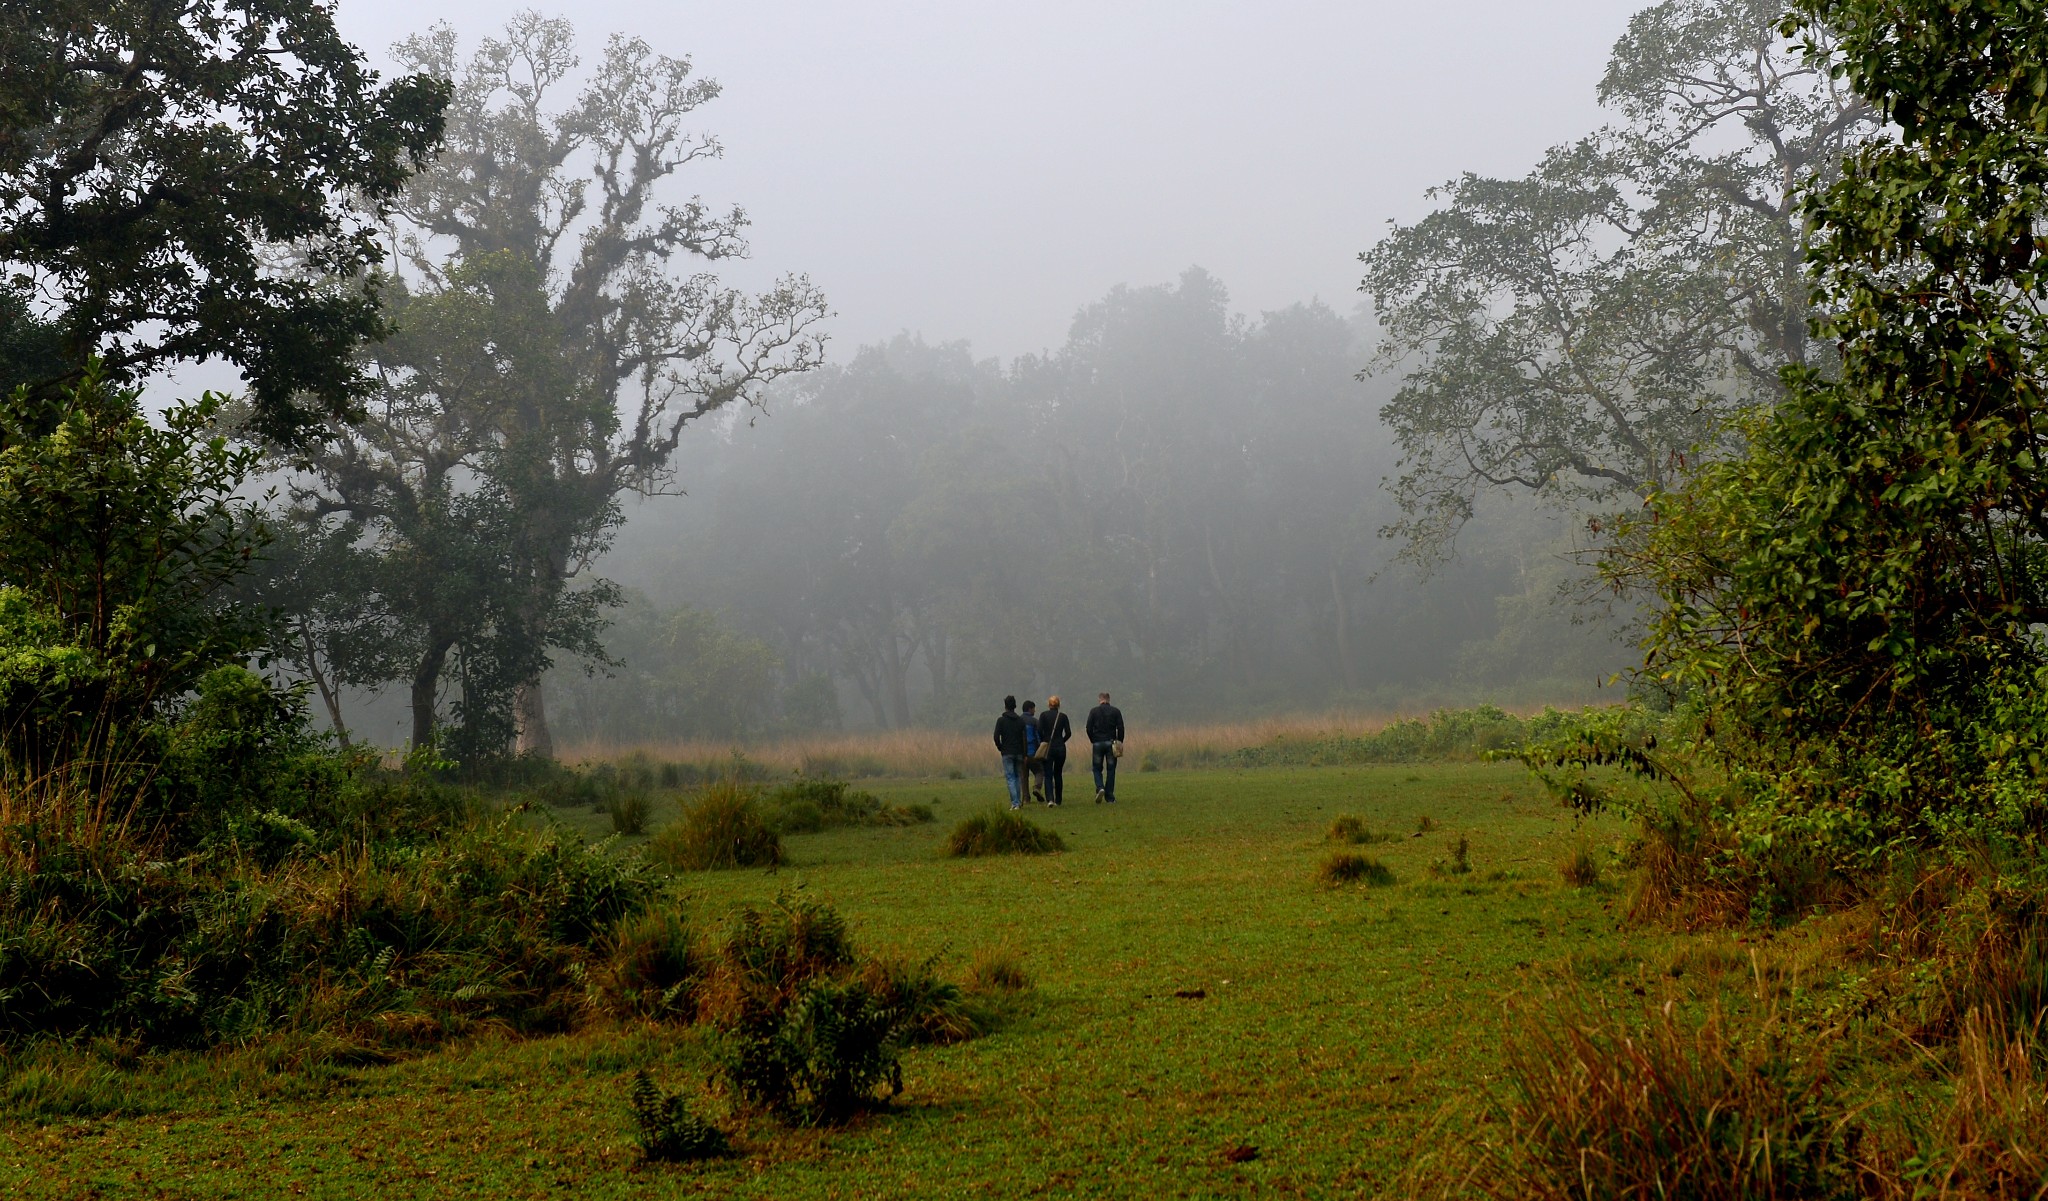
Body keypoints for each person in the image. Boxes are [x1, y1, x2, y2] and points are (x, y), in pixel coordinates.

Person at [1087, 691, 1125, 804]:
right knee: (1111, 769)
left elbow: (1088, 727)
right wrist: (1119, 741)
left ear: (1100, 699)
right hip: (1111, 743)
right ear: (1109, 699)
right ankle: (1110, 797)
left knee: (1097, 768)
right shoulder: (1116, 711)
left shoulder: (1093, 711)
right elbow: (1121, 728)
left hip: (1098, 743)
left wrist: (1093, 739)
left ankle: (1100, 787)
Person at [992, 695, 1029, 809]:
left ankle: (1015, 803)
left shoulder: (1001, 720)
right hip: (1019, 752)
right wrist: (1025, 753)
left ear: (1005, 706)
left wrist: (1000, 747)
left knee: (1010, 777)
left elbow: (996, 737)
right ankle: (1017, 801)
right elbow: (1025, 739)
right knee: (1018, 777)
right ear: (1015, 706)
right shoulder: (1020, 721)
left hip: (1007, 752)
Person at [1038, 695, 1072, 806]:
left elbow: (1039, 730)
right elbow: (1068, 733)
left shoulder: (1043, 715)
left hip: (1048, 747)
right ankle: (1058, 799)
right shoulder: (1063, 716)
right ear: (1058, 705)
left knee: (1048, 774)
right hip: (1060, 748)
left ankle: (1050, 799)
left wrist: (1044, 740)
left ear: (1049, 704)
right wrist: (1062, 741)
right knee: (1058, 773)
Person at [1020, 700, 1045, 803]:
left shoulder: (1018, 721)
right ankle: (1036, 787)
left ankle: (1026, 798)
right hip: (1033, 753)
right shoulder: (1035, 721)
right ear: (1030, 709)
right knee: (1039, 771)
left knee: (1024, 776)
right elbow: (1039, 737)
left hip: (1021, 754)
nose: (1035, 710)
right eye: (1034, 708)